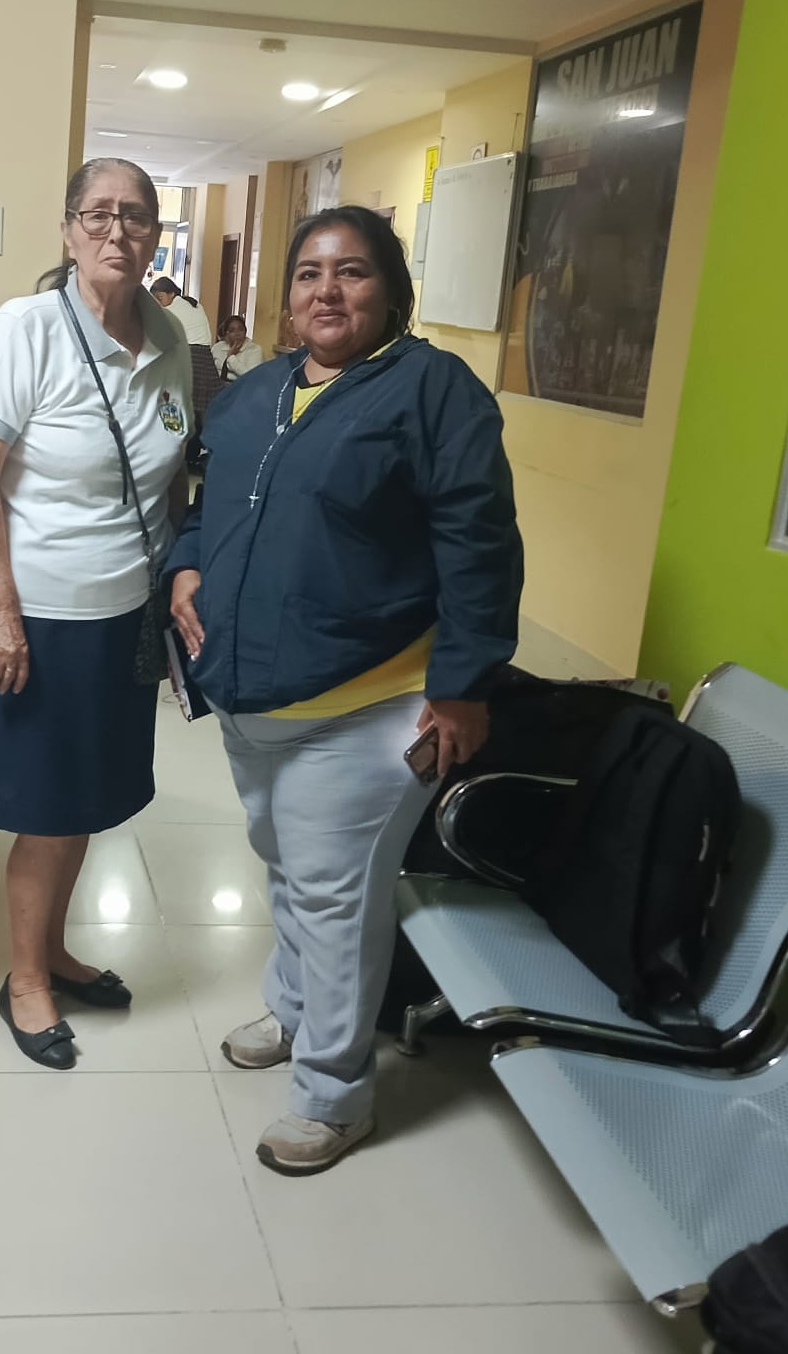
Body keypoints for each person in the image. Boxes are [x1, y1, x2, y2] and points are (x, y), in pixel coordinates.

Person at [167, 205, 522, 1173]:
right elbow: (209, 506)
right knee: (286, 866)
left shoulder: (433, 390)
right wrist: (184, 564)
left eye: (352, 271)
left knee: (335, 896)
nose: (327, 290)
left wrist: (463, 685)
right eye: (309, 273)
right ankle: (292, 1011)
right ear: (287, 297)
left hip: (371, 700)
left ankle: (333, 1092)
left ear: (391, 291)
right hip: (254, 696)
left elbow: (479, 543)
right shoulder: (257, 392)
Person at [0, 158, 192, 1069]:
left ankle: (53, 950)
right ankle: (24, 980)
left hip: (125, 612)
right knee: (47, 807)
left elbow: (170, 476)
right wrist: (1, 611)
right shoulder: (26, 328)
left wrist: (176, 581)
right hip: (39, 614)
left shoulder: (167, 335)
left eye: (136, 216)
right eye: (97, 214)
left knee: (88, 796)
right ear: (67, 230)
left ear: (155, 235)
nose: (116, 231)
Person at [150, 277, 220, 472]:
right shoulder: (194, 304)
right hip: (205, 358)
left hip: (190, 356)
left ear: (172, 293)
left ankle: (180, 458)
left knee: (179, 407)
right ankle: (208, 453)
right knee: (203, 410)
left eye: (160, 298)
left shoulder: (172, 310)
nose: (158, 303)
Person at [211, 314, 264, 381]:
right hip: (216, 383)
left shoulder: (255, 349)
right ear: (226, 333)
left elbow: (251, 377)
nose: (237, 334)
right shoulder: (217, 347)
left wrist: (231, 357)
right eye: (232, 330)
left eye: (241, 330)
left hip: (242, 385)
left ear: (245, 331)